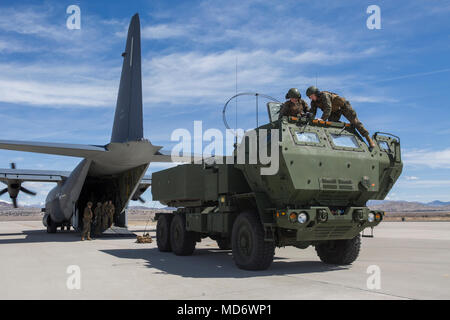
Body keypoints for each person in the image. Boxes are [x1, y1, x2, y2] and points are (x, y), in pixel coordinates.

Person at [306, 86, 375, 148]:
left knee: (355, 122)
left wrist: (322, 119)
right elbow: (312, 112)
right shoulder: (313, 102)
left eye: (312, 96)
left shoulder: (324, 95)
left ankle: (368, 139)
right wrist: (309, 116)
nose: (311, 98)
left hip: (343, 106)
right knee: (332, 123)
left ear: (316, 93)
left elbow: (328, 108)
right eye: (309, 97)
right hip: (334, 111)